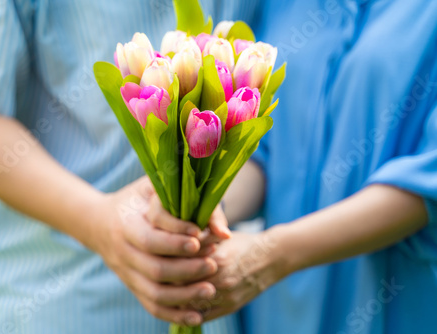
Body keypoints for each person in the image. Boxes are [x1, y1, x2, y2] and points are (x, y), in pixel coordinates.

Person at [0, 1, 262, 333]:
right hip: (67, 298)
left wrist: (204, 207)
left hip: (212, 296)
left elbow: (269, 138)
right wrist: (98, 222)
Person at [178, 0, 436, 333]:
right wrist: (206, 210)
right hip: (274, 304)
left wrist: (272, 256)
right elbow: (266, 148)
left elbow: (426, 180)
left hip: (389, 297)